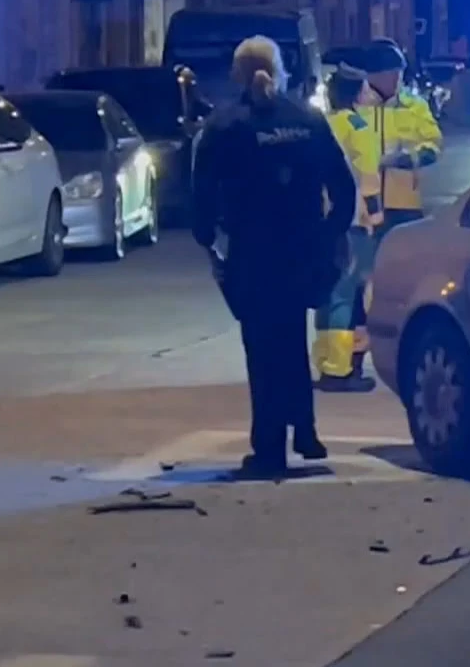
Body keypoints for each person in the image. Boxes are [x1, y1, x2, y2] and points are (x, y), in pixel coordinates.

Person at [190, 36, 356, 474]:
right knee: (291, 340)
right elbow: (343, 186)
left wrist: (206, 238)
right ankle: (305, 430)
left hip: (252, 252)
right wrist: (331, 233)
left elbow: (203, 193)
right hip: (302, 249)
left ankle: (269, 446)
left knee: (263, 349)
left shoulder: (226, 127)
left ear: (236, 74)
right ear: (280, 70)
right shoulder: (308, 120)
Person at [312, 59, 385, 393]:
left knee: (326, 292)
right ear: (357, 93)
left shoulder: (321, 124)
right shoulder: (358, 128)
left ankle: (326, 362)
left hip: (319, 219)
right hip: (353, 218)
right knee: (346, 290)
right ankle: (341, 370)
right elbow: (369, 178)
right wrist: (375, 216)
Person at [361, 39, 443, 234]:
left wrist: (408, 158)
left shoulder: (414, 106)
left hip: (404, 204)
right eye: (392, 75)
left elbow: (434, 143)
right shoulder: (355, 108)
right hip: (362, 204)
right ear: (374, 76)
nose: (398, 80)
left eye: (399, 74)